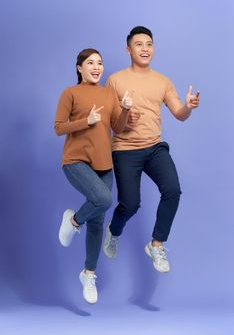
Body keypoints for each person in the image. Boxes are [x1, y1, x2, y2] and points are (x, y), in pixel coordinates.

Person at [103, 26, 200, 273]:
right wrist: (125, 112)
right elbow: (111, 123)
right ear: (128, 49)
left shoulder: (163, 81)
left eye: (149, 44)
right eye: (139, 44)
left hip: (154, 147)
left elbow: (179, 114)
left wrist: (188, 107)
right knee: (130, 205)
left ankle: (156, 244)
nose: (145, 49)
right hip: (124, 149)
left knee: (173, 190)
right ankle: (113, 232)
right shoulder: (115, 80)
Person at [54, 48, 132, 304]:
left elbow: (118, 128)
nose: (97, 67)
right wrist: (85, 121)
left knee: (98, 222)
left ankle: (88, 274)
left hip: (104, 164)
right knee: (104, 199)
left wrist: (126, 109)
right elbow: (58, 127)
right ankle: (74, 221)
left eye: (100, 63)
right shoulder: (70, 93)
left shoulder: (109, 94)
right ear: (79, 68)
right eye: (90, 63)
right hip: (75, 161)